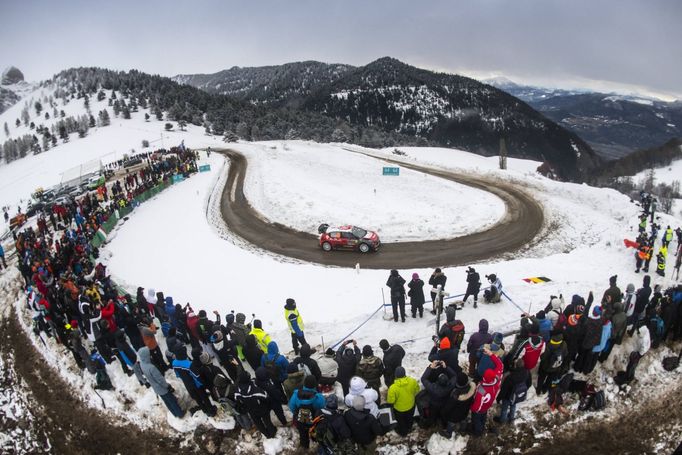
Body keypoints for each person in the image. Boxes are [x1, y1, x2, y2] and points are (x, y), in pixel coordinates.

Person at [138, 347, 185, 418]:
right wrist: (167, 386)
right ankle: (180, 414)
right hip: (162, 388)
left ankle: (174, 413)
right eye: (148, 353)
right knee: (172, 401)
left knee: (167, 402)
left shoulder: (142, 364)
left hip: (156, 388)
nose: (149, 354)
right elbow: (160, 379)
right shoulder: (151, 367)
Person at [470, 347, 503, 436]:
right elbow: (500, 365)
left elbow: (477, 406)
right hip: (488, 404)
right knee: (483, 416)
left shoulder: (482, 388)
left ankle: (478, 433)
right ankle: (482, 425)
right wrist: (491, 354)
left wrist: (472, 408)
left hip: (480, 408)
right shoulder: (497, 379)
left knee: (477, 420)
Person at [234, 371, 276, 438]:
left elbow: (236, 399)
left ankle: (266, 434)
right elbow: (265, 396)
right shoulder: (255, 390)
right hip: (261, 408)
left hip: (251, 410)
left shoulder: (237, 390)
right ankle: (272, 432)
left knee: (259, 424)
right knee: (267, 422)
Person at [288, 375, 325, 449]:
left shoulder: (296, 395)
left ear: (304, 384)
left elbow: (291, 407)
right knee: (315, 433)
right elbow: (323, 409)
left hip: (300, 421)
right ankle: (315, 442)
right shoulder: (319, 397)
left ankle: (304, 446)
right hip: (314, 422)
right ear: (315, 385)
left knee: (303, 435)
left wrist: (298, 413)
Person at [439, 371, 475, 438]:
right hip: (465, 412)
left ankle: (448, 434)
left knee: (451, 424)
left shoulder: (455, 396)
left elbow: (448, 407)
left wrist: (443, 412)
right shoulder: (471, 390)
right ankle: (462, 431)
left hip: (454, 416)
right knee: (464, 421)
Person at [494, 358, 530, 424]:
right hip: (517, 395)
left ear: (515, 365)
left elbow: (504, 389)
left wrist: (498, 398)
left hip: (508, 395)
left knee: (504, 408)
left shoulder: (510, 377)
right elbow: (529, 383)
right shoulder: (527, 372)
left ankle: (502, 420)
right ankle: (511, 418)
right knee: (513, 405)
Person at [386, 366, 419, 436]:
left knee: (401, 421)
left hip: (399, 409)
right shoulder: (412, 381)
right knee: (410, 417)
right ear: (404, 373)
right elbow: (417, 391)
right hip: (411, 405)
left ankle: (403, 432)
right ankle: (409, 427)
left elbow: (391, 401)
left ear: (395, 375)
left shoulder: (393, 388)